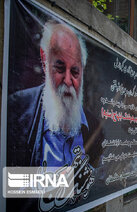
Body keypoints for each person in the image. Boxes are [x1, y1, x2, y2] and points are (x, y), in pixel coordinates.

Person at [7, 20, 103, 167]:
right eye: (60, 68)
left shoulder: (94, 128)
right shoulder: (17, 111)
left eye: (75, 71)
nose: (68, 81)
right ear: (45, 61)